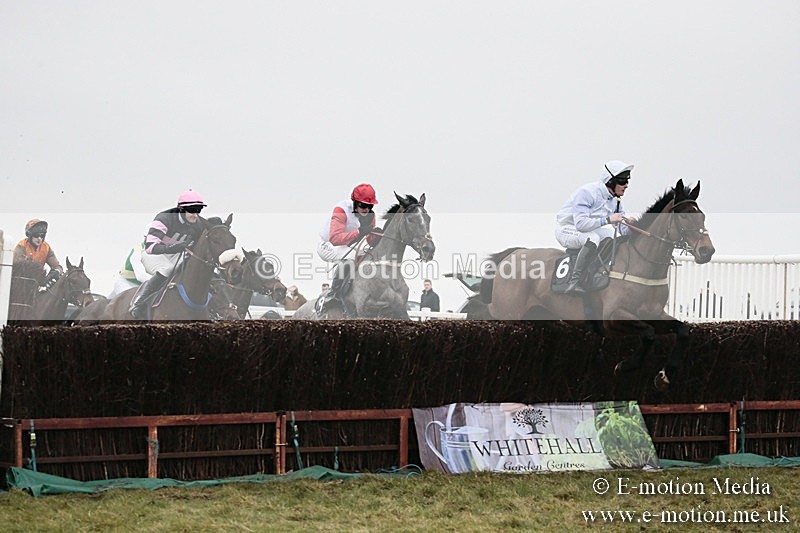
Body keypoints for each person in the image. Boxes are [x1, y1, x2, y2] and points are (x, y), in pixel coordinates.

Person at [555, 160, 633, 294]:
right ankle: (574, 282)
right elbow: (580, 224)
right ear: (610, 181)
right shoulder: (587, 192)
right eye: (622, 181)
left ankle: (596, 271)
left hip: (588, 229)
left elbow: (622, 230)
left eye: (627, 182)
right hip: (568, 229)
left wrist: (631, 226)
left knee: (610, 236)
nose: (626, 186)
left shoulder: (615, 200)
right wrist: (608, 219)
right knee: (593, 238)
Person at [129, 190, 207, 319]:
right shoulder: (164, 218)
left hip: (175, 254)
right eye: (192, 210)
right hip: (153, 255)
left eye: (198, 210)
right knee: (167, 268)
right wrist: (174, 247)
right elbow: (150, 247)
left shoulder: (197, 225)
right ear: (181, 209)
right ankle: (139, 301)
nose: (195, 215)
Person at [317, 183, 382, 305]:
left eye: (370, 206)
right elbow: (335, 238)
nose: (366, 209)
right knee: (349, 259)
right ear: (355, 202)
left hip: (349, 245)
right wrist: (358, 232)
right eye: (363, 205)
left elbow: (367, 241)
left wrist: (376, 236)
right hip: (328, 245)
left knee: (371, 257)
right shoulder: (341, 210)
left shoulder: (370, 216)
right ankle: (333, 294)